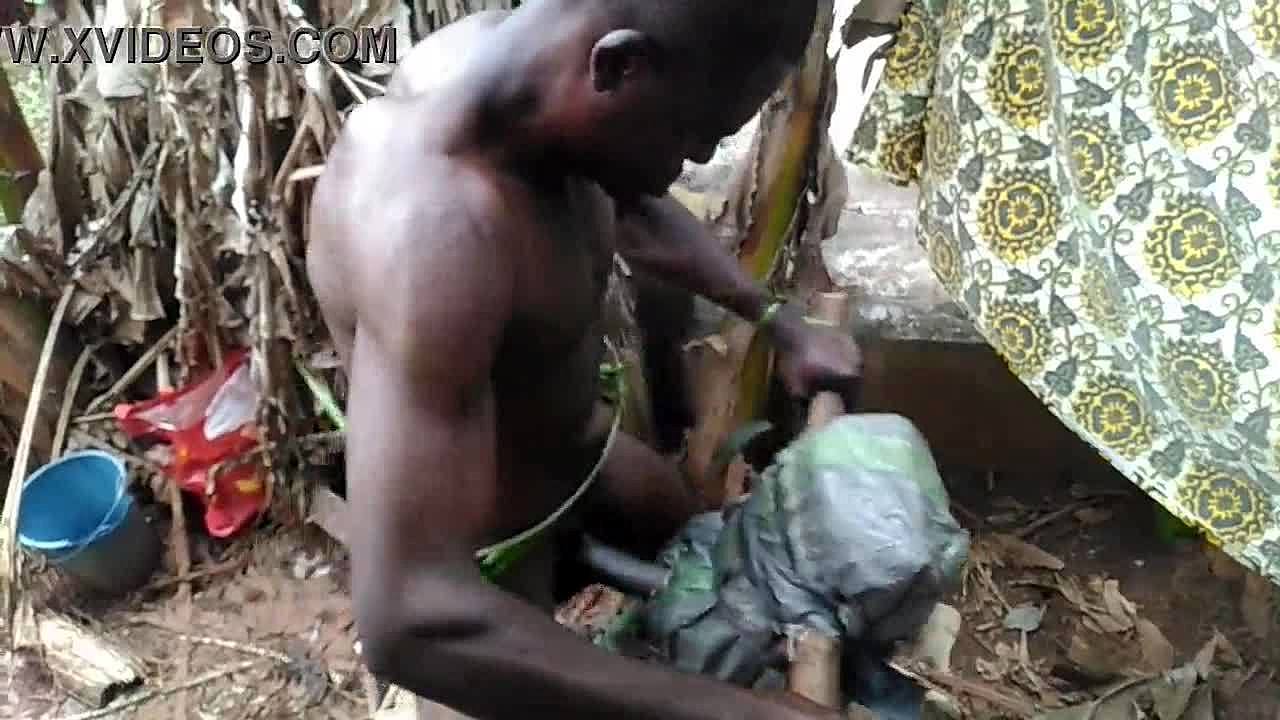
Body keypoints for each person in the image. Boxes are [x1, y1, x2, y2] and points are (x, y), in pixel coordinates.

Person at [305, 1, 863, 718]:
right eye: (691, 134)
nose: (691, 165)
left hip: (578, 460)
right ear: (620, 66)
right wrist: (741, 714)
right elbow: (409, 621)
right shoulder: (434, 231)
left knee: (703, 548)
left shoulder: (537, 88)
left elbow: (628, 201)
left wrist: (779, 321)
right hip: (483, 557)